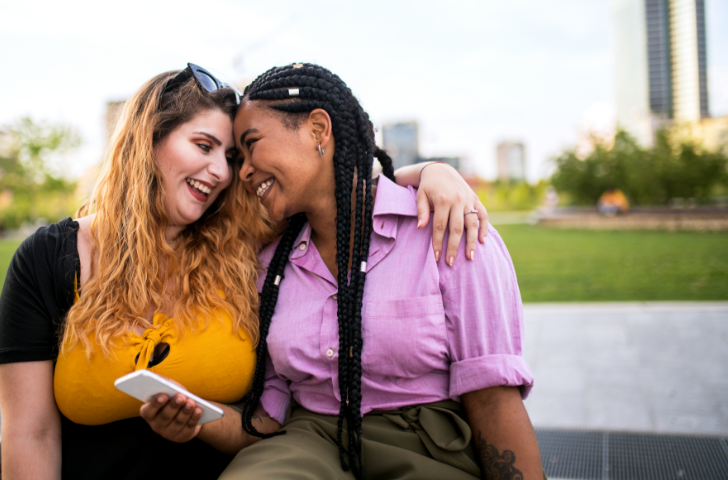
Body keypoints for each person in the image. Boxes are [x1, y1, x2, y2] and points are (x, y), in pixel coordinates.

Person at [0, 63, 489, 480]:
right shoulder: (50, 259)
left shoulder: (249, 250)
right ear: (147, 141)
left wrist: (432, 173)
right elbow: (30, 434)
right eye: (204, 147)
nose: (224, 173)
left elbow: (338, 186)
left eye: (232, 157)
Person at [140, 63, 543, 480]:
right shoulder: (271, 266)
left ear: (318, 130)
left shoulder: (445, 228)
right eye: (237, 157)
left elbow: (493, 400)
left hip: (428, 446)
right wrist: (193, 416)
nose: (240, 172)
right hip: (311, 440)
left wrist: (431, 169)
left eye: (251, 145)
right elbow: (268, 419)